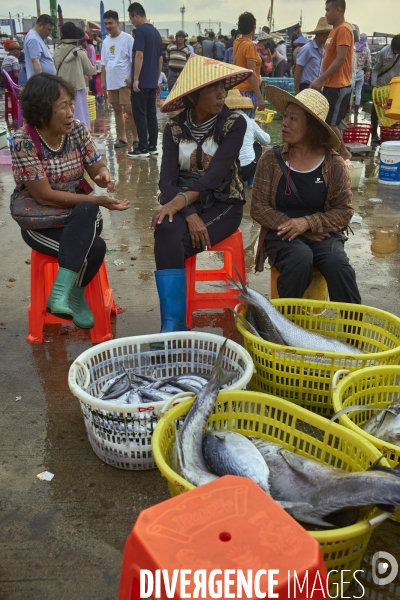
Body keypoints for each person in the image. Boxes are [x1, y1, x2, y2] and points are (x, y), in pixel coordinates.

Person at [10, 74, 129, 329]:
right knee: (95, 247)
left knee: (86, 208)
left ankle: (63, 295)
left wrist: (102, 173)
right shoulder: (24, 141)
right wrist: (98, 199)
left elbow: (95, 164)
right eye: (62, 106)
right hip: (42, 223)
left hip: (79, 218)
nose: (70, 111)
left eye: (70, 104)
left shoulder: (76, 130)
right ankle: (73, 296)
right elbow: (43, 195)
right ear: (42, 111)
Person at [151, 56, 252, 334]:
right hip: (187, 206)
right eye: (213, 89)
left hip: (223, 203)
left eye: (223, 88)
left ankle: (173, 323)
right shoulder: (173, 128)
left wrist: (181, 203)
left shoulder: (234, 123)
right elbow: (166, 181)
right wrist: (189, 212)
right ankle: (173, 323)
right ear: (194, 96)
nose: (222, 94)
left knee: (171, 243)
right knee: (165, 228)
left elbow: (215, 176)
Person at [251, 87, 361, 304]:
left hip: (324, 234)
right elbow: (259, 208)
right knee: (299, 259)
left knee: (338, 264)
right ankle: (285, 326)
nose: (284, 123)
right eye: (285, 117)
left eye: (293, 118)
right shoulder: (270, 160)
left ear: (312, 126)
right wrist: (295, 226)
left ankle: (353, 333)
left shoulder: (334, 163)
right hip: (280, 234)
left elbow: (344, 211)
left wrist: (308, 223)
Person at [309, 0, 354, 161]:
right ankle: (330, 151)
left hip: (339, 85)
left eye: (328, 10)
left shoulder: (343, 30)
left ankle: (344, 152)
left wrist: (320, 79)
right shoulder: (334, 31)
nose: (326, 13)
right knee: (326, 121)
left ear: (338, 10)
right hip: (330, 84)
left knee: (331, 123)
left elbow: (340, 59)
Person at [128, 2, 163, 159]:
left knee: (139, 114)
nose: (131, 22)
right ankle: (152, 146)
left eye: (131, 19)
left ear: (136, 15)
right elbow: (160, 59)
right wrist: (156, 80)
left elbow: (139, 55)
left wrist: (135, 79)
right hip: (151, 81)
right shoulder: (156, 32)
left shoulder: (141, 31)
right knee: (151, 114)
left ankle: (142, 148)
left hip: (141, 83)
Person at [101, 10, 138, 149]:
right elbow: (104, 63)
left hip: (124, 80)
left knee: (129, 109)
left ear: (117, 23)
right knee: (116, 110)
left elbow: (132, 60)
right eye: (106, 24)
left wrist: (131, 77)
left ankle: (136, 138)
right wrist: (103, 81)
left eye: (110, 23)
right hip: (111, 81)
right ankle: (122, 138)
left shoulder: (127, 38)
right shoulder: (105, 42)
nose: (108, 26)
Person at [225, 89, 270, 182]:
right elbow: (267, 140)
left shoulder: (222, 121)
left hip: (226, 171)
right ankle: (251, 180)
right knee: (259, 146)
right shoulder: (249, 121)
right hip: (247, 170)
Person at [54, 23, 94, 128]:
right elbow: (90, 70)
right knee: (79, 117)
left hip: (61, 89)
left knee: (64, 115)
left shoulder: (56, 51)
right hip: (77, 89)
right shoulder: (80, 52)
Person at [234, 12, 265, 118]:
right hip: (248, 91)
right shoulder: (250, 46)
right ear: (254, 28)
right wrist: (260, 97)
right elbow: (251, 74)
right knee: (248, 124)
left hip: (238, 90)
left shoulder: (237, 42)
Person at [370, 35, 400, 144]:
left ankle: (391, 134)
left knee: (393, 111)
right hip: (380, 87)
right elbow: (376, 69)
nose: (397, 52)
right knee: (376, 112)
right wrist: (373, 84)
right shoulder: (383, 52)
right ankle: (374, 134)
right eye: (396, 50)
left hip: (394, 88)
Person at [294, 17, 332, 93]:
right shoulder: (307, 49)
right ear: (320, 34)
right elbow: (297, 71)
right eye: (327, 34)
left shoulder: (323, 49)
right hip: (306, 87)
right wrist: (297, 92)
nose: (329, 37)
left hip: (317, 87)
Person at [24, 14, 56, 79]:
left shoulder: (38, 37)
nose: (50, 32)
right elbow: (35, 62)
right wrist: (41, 83)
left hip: (47, 82)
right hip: (42, 84)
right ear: (40, 25)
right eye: (49, 29)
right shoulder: (33, 38)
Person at [353, 33, 371, 117]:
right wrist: (367, 70)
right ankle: (356, 108)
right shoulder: (366, 50)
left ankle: (348, 108)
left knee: (350, 91)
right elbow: (369, 63)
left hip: (352, 71)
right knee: (359, 91)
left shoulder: (354, 47)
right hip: (361, 72)